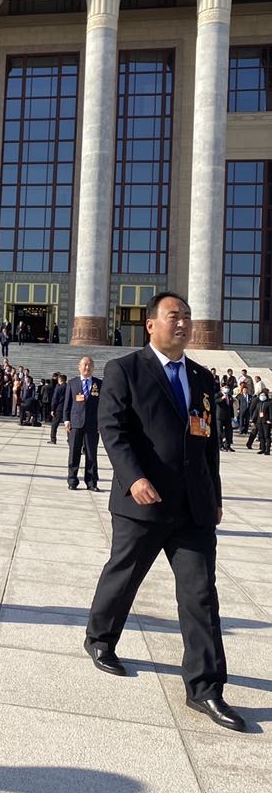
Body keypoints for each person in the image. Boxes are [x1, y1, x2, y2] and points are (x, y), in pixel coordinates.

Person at [85, 292, 245, 732]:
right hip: (144, 499)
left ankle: (205, 687)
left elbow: (207, 443)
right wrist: (133, 478)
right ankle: (100, 638)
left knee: (200, 594)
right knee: (124, 575)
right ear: (151, 324)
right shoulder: (125, 370)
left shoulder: (202, 377)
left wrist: (214, 495)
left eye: (188, 317)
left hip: (193, 506)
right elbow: (112, 430)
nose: (183, 324)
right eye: (174, 316)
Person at [63, 356, 101, 490]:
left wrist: (101, 423)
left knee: (91, 454)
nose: (87, 367)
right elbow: (67, 403)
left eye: (90, 365)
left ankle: (91, 482)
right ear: (79, 367)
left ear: (93, 368)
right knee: (74, 453)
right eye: (84, 364)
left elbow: (103, 406)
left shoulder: (99, 384)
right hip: (75, 423)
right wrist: (66, 420)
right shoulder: (72, 383)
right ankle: (72, 481)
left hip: (92, 425)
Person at [249, 386, 270, 455]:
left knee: (267, 436)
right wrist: (253, 420)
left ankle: (267, 450)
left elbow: (271, 413)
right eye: (261, 395)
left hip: (266, 421)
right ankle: (262, 449)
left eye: (264, 395)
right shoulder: (258, 404)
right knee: (261, 436)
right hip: (259, 421)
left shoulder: (269, 403)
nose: (262, 396)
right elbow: (256, 413)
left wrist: (270, 420)